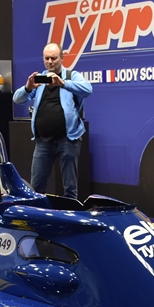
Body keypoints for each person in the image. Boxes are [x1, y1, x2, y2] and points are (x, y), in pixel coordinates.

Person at [12, 42, 92, 199]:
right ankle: (36, 213)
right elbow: (17, 99)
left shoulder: (71, 76)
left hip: (68, 140)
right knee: (36, 187)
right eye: (47, 58)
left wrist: (63, 83)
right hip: (43, 142)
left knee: (70, 188)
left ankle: (69, 213)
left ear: (62, 58)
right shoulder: (40, 80)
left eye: (53, 58)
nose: (50, 62)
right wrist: (28, 88)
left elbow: (88, 89)